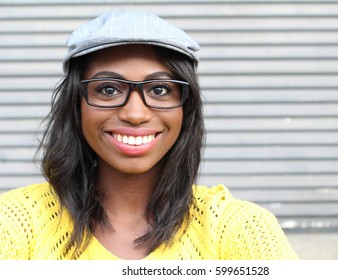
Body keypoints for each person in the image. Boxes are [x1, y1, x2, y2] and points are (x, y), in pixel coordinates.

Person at [0, 11, 298, 260]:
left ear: (187, 106)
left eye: (159, 90)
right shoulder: (15, 223)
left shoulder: (240, 228)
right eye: (108, 89)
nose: (135, 113)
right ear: (75, 105)